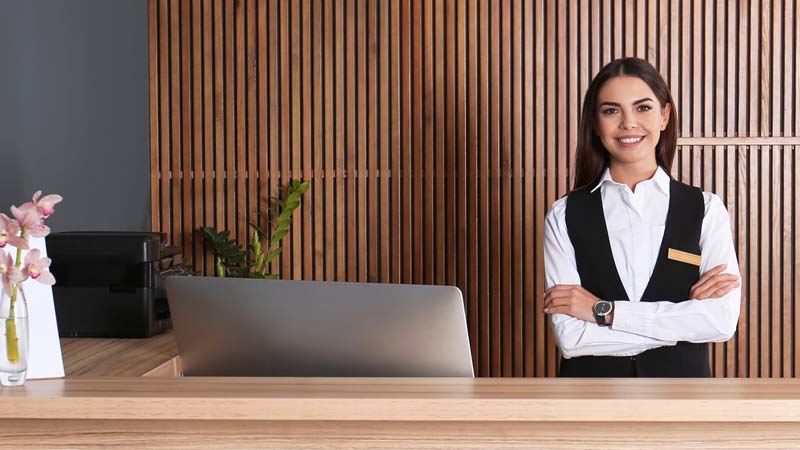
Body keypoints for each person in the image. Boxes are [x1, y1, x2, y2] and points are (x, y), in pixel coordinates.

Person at [542, 57, 741, 377]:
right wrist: (682, 323)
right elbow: (572, 338)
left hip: (685, 404)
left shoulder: (706, 210)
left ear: (664, 116)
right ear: (595, 123)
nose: (628, 123)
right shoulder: (564, 214)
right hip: (588, 404)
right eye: (611, 110)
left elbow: (720, 322)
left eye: (643, 108)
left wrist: (602, 312)